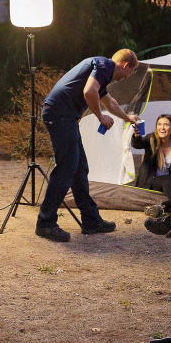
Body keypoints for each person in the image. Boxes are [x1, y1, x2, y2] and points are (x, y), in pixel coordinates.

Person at [36, 49, 141, 242]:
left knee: (79, 168)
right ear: (126, 65)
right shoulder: (104, 65)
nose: (127, 77)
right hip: (60, 114)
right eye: (130, 72)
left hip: (66, 116)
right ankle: (45, 223)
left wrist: (127, 118)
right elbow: (89, 92)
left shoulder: (102, 71)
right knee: (67, 168)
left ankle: (91, 220)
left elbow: (110, 102)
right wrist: (100, 117)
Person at [131, 114, 171, 218]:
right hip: (150, 182)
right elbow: (138, 144)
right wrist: (136, 136)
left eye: (166, 125)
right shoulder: (151, 139)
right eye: (159, 124)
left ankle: (161, 207)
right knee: (166, 179)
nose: (162, 127)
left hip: (169, 185)